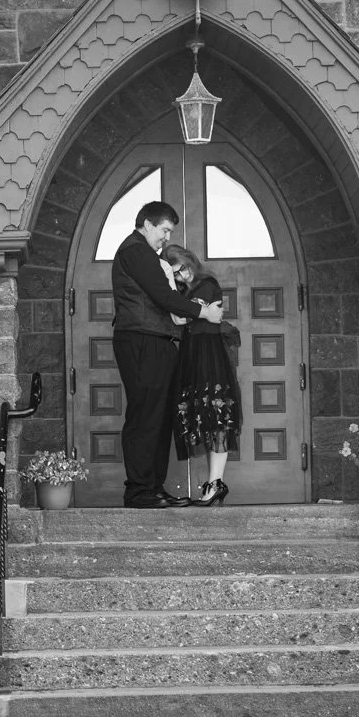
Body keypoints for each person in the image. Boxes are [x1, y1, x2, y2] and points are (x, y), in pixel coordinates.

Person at [111, 201, 223, 509]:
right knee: (145, 415)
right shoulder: (135, 251)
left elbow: (166, 296)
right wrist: (203, 312)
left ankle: (153, 488)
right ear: (147, 224)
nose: (166, 236)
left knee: (159, 418)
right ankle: (138, 491)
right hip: (141, 341)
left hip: (158, 342)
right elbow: (164, 296)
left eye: (169, 231)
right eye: (164, 229)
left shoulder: (148, 254)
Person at [163, 244, 241, 506]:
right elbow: (181, 316)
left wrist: (176, 297)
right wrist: (174, 290)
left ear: (190, 261)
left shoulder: (206, 284)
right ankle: (213, 483)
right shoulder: (185, 291)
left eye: (182, 269)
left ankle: (216, 483)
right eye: (174, 274)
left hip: (209, 356)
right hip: (193, 356)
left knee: (217, 416)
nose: (181, 276)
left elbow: (180, 318)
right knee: (204, 418)